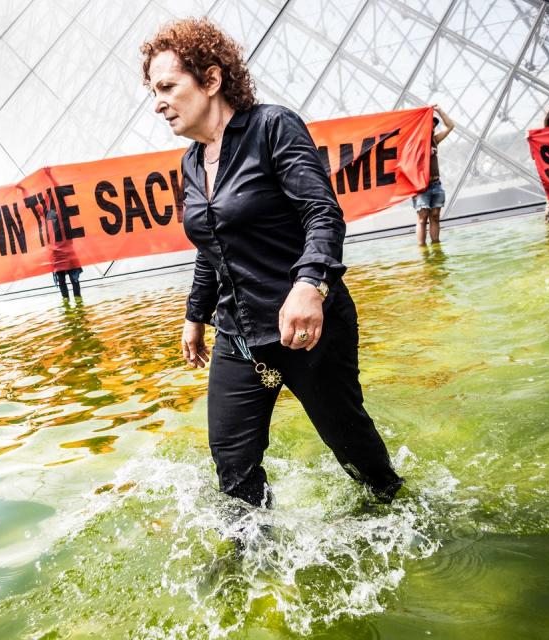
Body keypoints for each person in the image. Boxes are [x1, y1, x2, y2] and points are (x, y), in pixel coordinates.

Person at [141, 18, 404, 509]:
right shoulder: (193, 162)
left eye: (167, 86)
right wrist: (194, 316)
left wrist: (310, 284)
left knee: (352, 449)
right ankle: (254, 565)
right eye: (153, 90)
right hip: (239, 338)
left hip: (309, 331)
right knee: (232, 465)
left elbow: (321, 211)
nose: (157, 101)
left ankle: (396, 504)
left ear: (212, 80)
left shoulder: (272, 126)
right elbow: (210, 245)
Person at [412, 105, 454, 246]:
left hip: (436, 184)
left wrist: (440, 111)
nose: (433, 127)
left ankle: (436, 246)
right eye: (430, 124)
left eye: (434, 125)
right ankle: (422, 249)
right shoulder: (414, 143)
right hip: (421, 187)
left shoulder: (435, 140)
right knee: (422, 218)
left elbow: (450, 126)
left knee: (435, 217)